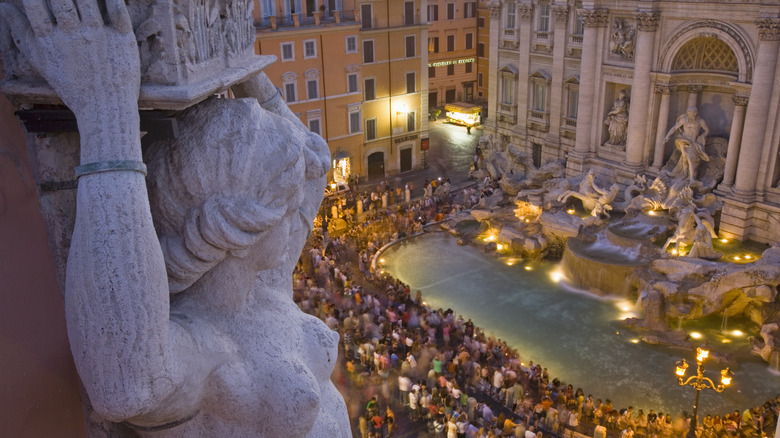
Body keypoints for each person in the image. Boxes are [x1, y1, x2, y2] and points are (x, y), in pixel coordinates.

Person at [0, 0, 349, 435]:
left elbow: (314, 160)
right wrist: (107, 112)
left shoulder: (265, 279)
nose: (302, 197)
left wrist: (241, 68)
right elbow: (125, 386)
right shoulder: (203, 350)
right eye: (286, 192)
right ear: (243, 226)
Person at [664, 105, 711, 182]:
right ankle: (691, 177)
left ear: (695, 113)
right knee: (688, 157)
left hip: (693, 142)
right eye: (689, 113)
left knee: (686, 158)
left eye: (692, 113)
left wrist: (701, 137)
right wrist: (667, 136)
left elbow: (707, 130)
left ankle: (684, 174)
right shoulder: (684, 119)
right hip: (684, 140)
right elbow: (675, 128)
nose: (690, 114)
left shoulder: (700, 121)